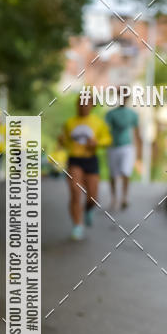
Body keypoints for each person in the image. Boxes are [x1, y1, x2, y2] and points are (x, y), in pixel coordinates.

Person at [59, 94, 111, 240]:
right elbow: (65, 142)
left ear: (91, 106)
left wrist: (97, 143)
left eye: (86, 104)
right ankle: (77, 225)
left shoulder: (98, 123)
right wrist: (62, 141)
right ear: (77, 105)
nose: (83, 107)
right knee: (75, 192)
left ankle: (88, 209)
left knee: (93, 197)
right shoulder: (69, 123)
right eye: (81, 104)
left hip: (91, 159)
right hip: (75, 160)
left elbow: (107, 140)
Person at [105, 98, 142, 210]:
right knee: (113, 175)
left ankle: (125, 198)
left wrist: (139, 150)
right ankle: (114, 198)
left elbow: (137, 132)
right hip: (113, 147)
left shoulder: (133, 114)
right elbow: (105, 131)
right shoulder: (110, 114)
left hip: (127, 147)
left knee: (126, 172)